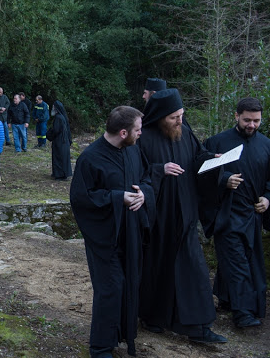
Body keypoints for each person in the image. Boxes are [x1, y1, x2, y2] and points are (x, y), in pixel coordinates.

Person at [137, 89, 226, 343]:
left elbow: (197, 157)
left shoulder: (184, 133)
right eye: (174, 117)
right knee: (157, 267)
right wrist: (158, 170)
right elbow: (135, 171)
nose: (179, 121)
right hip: (158, 217)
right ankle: (152, 316)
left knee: (194, 268)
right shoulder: (143, 138)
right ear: (160, 116)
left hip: (186, 213)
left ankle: (199, 327)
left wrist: (211, 160)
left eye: (181, 115)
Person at [70, 106, 155, 358]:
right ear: (123, 132)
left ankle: (121, 335)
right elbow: (81, 198)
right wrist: (119, 198)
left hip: (130, 233)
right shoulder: (91, 158)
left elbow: (147, 178)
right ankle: (100, 347)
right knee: (111, 287)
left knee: (129, 284)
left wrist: (143, 195)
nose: (141, 134)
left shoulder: (133, 151)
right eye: (137, 130)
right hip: (104, 236)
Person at [202, 97, 270, 328]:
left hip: (253, 215)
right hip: (226, 214)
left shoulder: (266, 144)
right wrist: (223, 180)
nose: (252, 125)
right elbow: (200, 173)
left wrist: (268, 199)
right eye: (247, 120)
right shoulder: (217, 142)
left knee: (248, 260)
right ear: (236, 116)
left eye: (257, 121)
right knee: (237, 262)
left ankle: (226, 299)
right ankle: (243, 314)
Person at [50, 100, 72, 180]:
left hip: (60, 141)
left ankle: (60, 175)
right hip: (62, 141)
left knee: (59, 158)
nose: (52, 108)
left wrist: (49, 134)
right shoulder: (62, 117)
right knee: (61, 158)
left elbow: (56, 130)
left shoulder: (58, 118)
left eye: (53, 107)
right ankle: (59, 173)